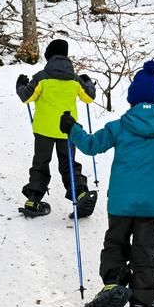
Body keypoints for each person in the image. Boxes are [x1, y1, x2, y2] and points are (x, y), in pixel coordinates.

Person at [60, 60, 154, 307]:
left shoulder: (120, 126)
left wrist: (72, 128)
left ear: (132, 100)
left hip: (120, 204)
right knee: (143, 255)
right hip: (149, 207)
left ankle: (113, 283)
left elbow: (90, 145)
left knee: (115, 244)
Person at [16, 38, 97, 218]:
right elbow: (89, 97)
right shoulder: (75, 80)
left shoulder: (41, 78)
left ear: (49, 56)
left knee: (40, 164)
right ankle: (80, 194)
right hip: (67, 129)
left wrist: (20, 85)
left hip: (43, 130)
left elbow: (26, 97)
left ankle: (33, 200)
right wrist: (88, 82)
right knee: (68, 164)